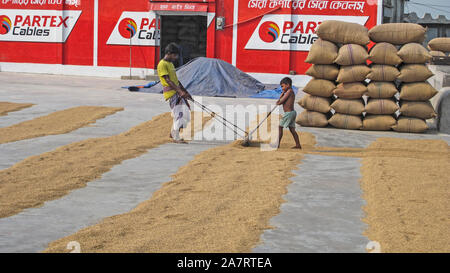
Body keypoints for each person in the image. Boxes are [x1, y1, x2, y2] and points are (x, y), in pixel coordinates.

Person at [157, 43, 193, 143]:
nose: (176, 57)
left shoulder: (170, 64)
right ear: (169, 53)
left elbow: (176, 80)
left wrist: (185, 91)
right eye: (175, 55)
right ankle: (176, 136)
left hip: (177, 91)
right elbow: (168, 80)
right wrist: (180, 91)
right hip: (171, 93)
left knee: (183, 113)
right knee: (179, 114)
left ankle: (173, 132)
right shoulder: (162, 64)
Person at [276, 77, 302, 149]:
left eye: (282, 86)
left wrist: (281, 96)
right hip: (292, 113)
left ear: (287, 85)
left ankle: (277, 144)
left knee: (280, 127)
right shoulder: (289, 92)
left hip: (289, 113)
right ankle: (298, 145)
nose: (282, 88)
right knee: (292, 130)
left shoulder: (289, 91)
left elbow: (280, 102)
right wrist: (281, 95)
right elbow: (280, 101)